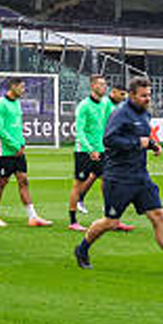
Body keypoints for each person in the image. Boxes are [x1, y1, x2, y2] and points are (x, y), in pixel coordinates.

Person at [73, 77, 163, 274]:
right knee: (111, 222)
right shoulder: (120, 114)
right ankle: (82, 249)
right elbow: (109, 139)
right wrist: (136, 143)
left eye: (149, 95)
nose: (148, 99)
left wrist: (153, 145)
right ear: (131, 96)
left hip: (140, 176)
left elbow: (143, 138)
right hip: (118, 177)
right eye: (143, 95)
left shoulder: (145, 114)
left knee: (158, 215)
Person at [68, 75, 131, 232]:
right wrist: (90, 149)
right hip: (84, 152)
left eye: (105, 84)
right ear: (93, 86)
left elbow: (111, 123)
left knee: (109, 184)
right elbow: (80, 131)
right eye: (101, 84)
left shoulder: (105, 104)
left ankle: (112, 219)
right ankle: (73, 221)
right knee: (78, 186)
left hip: (103, 151)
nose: (104, 87)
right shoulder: (84, 106)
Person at [0, 78, 50, 227]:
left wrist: (22, 143)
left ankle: (33, 217)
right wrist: (15, 145)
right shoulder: (0, 104)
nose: (24, 90)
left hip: (18, 151)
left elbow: (17, 127)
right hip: (5, 152)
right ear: (13, 87)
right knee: (2, 182)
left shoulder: (17, 103)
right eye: (22, 87)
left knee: (23, 180)